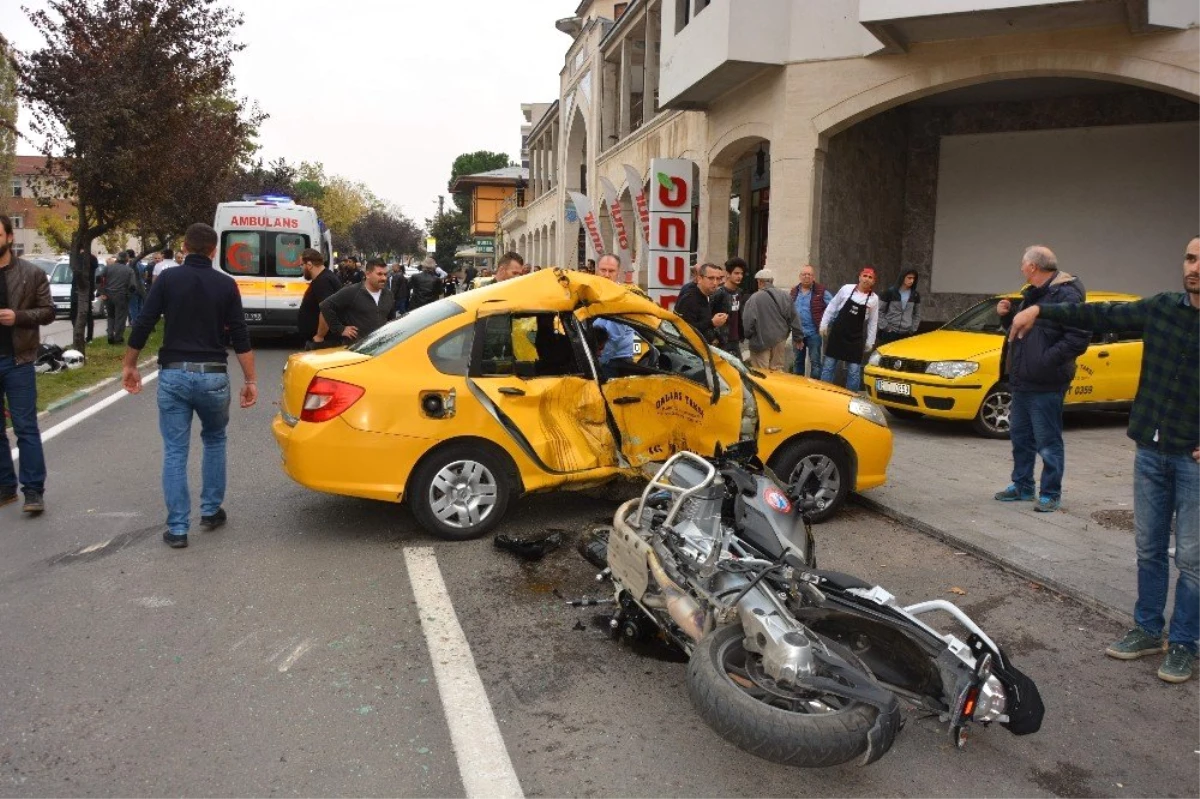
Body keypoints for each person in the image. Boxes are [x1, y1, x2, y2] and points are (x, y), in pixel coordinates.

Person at [1009, 234, 1200, 684]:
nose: (1194, 267)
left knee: (1191, 559)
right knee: (1149, 548)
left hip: (1192, 459)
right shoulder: (1163, 308)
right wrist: (1040, 308)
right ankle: (1149, 630)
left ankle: (1186, 643)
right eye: (1191, 258)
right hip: (1150, 450)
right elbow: (1097, 313)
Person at [122, 223, 258, 549]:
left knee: (175, 450)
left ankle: (179, 528)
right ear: (214, 251)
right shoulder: (227, 285)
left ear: (183, 247)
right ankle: (211, 511)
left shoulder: (167, 279)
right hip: (213, 375)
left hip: (173, 374)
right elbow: (240, 335)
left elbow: (144, 322)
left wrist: (129, 364)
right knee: (214, 439)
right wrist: (250, 380)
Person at [994, 245, 1088, 513]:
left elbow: (1078, 338)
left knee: (1048, 441)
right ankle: (1022, 486)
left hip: (1047, 382)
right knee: (1021, 437)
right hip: (1023, 380)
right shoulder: (1031, 294)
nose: (1021, 268)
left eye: (1023, 264)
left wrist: (1045, 361)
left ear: (1033, 267)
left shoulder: (1066, 294)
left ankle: (1050, 493)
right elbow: (1024, 333)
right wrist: (1007, 318)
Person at [0, 214, 55, 514]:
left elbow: (48, 311)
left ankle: (33, 491)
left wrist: (17, 317)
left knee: (25, 427)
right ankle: (5, 487)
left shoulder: (31, 274)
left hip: (18, 360)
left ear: (9, 237)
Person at [820, 266, 880, 391]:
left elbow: (873, 322)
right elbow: (832, 305)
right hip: (838, 334)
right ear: (859, 277)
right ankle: (823, 392)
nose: (867, 279)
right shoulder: (846, 289)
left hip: (855, 338)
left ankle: (851, 397)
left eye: (870, 277)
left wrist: (870, 341)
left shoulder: (874, 299)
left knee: (854, 370)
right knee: (829, 366)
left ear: (873, 282)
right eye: (865, 276)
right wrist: (824, 323)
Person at [314, 258, 394, 347]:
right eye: (379, 274)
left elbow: (392, 320)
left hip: (381, 348)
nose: (384, 278)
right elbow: (326, 306)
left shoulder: (388, 294)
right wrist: (340, 329)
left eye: (385, 274)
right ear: (367, 274)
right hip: (357, 349)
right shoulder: (352, 291)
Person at [742, 268, 803, 371]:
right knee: (777, 371)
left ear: (760, 282)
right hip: (780, 339)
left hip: (760, 341)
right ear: (771, 281)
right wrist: (798, 337)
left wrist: (748, 335)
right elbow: (794, 317)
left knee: (761, 372)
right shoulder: (785, 296)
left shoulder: (754, 298)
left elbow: (748, 323)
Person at [593, 254, 636, 379]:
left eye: (611, 271)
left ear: (618, 273)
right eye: (603, 270)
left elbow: (612, 339)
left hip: (614, 362)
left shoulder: (621, 297)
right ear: (596, 271)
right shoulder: (594, 293)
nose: (606, 274)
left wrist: (595, 364)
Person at [791, 264, 833, 378]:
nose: (806, 276)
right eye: (804, 274)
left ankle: (815, 389)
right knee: (797, 362)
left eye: (809, 274)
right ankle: (799, 388)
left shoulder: (821, 291)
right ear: (800, 276)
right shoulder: (794, 292)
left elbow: (833, 307)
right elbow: (788, 311)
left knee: (815, 364)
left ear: (813, 277)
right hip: (798, 333)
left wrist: (826, 324)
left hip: (814, 333)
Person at [674, 262, 728, 346]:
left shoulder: (706, 294)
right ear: (699, 279)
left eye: (718, 279)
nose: (715, 283)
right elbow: (686, 329)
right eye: (711, 278)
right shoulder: (690, 298)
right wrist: (712, 323)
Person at [296, 248, 341, 345]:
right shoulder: (323, 278)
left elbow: (326, 311)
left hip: (323, 341)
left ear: (309, 265)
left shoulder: (323, 281)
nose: (301, 269)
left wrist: (320, 336)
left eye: (301, 265)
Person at [100, 251, 146, 345]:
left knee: (111, 316)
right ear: (126, 259)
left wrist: (102, 292)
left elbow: (98, 278)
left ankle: (110, 335)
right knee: (120, 317)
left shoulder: (108, 267)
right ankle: (118, 337)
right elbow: (133, 286)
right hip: (121, 295)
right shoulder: (129, 270)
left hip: (108, 294)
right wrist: (129, 295)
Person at [714, 258, 748, 357]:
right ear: (728, 274)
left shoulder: (739, 292)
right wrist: (714, 337)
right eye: (736, 273)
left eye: (741, 274)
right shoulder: (719, 293)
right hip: (721, 340)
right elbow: (709, 314)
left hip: (735, 339)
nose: (739, 276)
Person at [878, 268, 922, 344]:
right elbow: (879, 311)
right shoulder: (889, 292)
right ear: (902, 277)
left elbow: (917, 313)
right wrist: (886, 327)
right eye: (909, 278)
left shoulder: (915, 295)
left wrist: (912, 329)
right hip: (890, 332)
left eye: (913, 278)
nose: (912, 281)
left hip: (906, 334)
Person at [69, 248, 98, 343]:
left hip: (76, 289)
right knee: (88, 315)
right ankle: (89, 337)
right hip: (88, 289)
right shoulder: (92, 259)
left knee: (74, 314)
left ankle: (77, 335)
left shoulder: (76, 258)